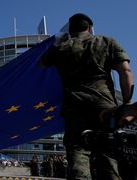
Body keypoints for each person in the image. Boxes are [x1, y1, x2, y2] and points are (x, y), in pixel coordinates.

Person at [40, 13, 134, 179]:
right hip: (105, 108)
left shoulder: (62, 48)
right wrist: (127, 104)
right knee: (108, 155)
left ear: (70, 30)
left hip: (74, 109)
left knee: (78, 154)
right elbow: (125, 71)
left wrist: (56, 44)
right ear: (89, 28)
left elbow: (42, 63)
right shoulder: (106, 42)